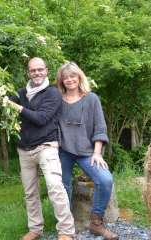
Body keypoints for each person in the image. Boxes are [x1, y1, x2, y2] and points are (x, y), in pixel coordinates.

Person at [7, 57, 75, 240]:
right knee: (30, 192)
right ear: (28, 73)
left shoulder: (53, 93)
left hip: (46, 146)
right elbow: (3, 104)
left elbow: (41, 119)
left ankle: (66, 231)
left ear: (46, 70)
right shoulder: (21, 93)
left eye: (40, 69)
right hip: (24, 149)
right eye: (32, 70)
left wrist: (17, 108)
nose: (36, 73)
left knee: (55, 187)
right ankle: (35, 229)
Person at [56, 61, 118, 240]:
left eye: (72, 76)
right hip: (63, 151)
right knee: (61, 185)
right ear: (61, 81)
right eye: (65, 77)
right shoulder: (57, 100)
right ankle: (66, 226)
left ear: (79, 77)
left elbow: (100, 127)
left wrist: (97, 153)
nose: (69, 80)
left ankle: (96, 223)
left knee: (105, 179)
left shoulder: (92, 99)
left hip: (87, 152)